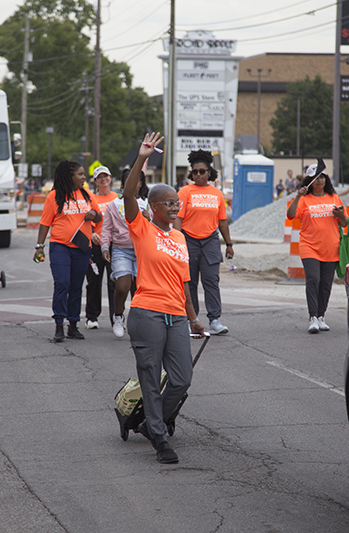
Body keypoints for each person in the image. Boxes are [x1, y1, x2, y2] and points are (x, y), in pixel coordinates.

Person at [123, 132, 204, 464]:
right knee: (150, 378)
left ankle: (148, 423)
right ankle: (159, 437)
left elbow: (184, 282)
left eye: (176, 202)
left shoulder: (181, 238)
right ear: (153, 207)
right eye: (169, 203)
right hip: (147, 314)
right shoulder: (141, 228)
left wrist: (194, 316)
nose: (175, 207)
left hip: (176, 315)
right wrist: (142, 157)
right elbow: (129, 192)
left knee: (182, 378)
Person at [33, 161, 102, 343]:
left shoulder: (87, 195)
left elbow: (99, 214)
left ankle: (73, 325)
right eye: (80, 174)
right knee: (62, 283)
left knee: (75, 287)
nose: (84, 177)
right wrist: (39, 246)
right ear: (69, 176)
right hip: (60, 247)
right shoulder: (54, 196)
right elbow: (45, 223)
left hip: (82, 248)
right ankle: (58, 324)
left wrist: (94, 215)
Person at [173, 149, 233, 335]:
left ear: (209, 173)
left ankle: (214, 320)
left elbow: (222, 221)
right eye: (195, 171)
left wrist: (229, 244)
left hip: (210, 241)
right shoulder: (184, 192)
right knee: (189, 282)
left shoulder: (216, 193)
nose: (198, 175)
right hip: (188, 240)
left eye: (202, 171)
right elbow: (178, 219)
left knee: (211, 281)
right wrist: (176, 241)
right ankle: (191, 320)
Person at [286, 158, 348, 334]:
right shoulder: (304, 199)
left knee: (326, 284)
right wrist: (298, 196)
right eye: (315, 177)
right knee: (313, 279)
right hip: (309, 246)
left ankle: (321, 316)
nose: (319, 180)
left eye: (322, 176)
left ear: (326, 179)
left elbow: (345, 223)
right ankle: (313, 317)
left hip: (331, 247)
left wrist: (340, 215)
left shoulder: (334, 198)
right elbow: (291, 215)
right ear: (309, 181)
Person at [101, 168, 149, 338]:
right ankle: (118, 316)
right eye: (129, 181)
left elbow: (158, 228)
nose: (132, 184)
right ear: (123, 184)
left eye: (136, 181)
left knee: (139, 290)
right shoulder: (114, 205)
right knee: (122, 286)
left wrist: (148, 219)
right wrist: (105, 247)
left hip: (142, 251)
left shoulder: (147, 203)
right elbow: (106, 229)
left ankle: (138, 322)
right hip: (121, 250)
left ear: (141, 184)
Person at [85, 166, 119, 330]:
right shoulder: (91, 198)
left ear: (111, 178)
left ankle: (116, 318)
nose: (103, 179)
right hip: (96, 245)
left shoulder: (117, 198)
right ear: (95, 181)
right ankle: (92, 317)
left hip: (114, 245)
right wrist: (91, 234)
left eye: (106, 176)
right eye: (100, 177)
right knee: (94, 281)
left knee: (115, 282)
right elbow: (84, 220)